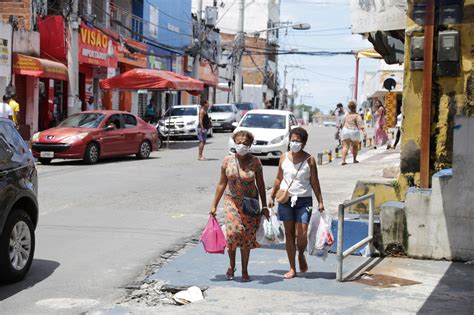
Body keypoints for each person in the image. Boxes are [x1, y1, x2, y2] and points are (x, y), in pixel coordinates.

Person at [210, 130, 269, 282]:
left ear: (250, 145)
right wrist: (214, 205)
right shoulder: (227, 160)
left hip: (250, 204)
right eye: (239, 142)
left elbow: (261, 185)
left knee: (247, 237)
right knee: (232, 234)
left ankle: (244, 270)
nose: (242, 145)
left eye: (245, 143)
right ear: (234, 143)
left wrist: (264, 206)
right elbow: (222, 183)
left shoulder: (255, 162)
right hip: (231, 202)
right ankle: (231, 265)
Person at [268, 127, 325, 279]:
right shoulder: (283, 158)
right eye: (292, 140)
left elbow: (314, 181)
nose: (294, 143)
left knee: (302, 233)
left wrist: (320, 201)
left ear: (304, 143)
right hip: (286, 200)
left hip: (304, 200)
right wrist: (272, 196)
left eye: (298, 141)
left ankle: (301, 253)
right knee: (289, 234)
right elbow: (278, 178)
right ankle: (292, 267)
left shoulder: (310, 160)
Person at [340, 101, 367, 165]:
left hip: (345, 130)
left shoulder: (346, 115)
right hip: (354, 131)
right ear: (355, 107)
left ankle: (343, 160)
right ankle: (354, 159)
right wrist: (364, 132)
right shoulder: (357, 115)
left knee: (345, 146)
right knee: (355, 146)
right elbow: (360, 125)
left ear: (349, 107)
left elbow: (342, 124)